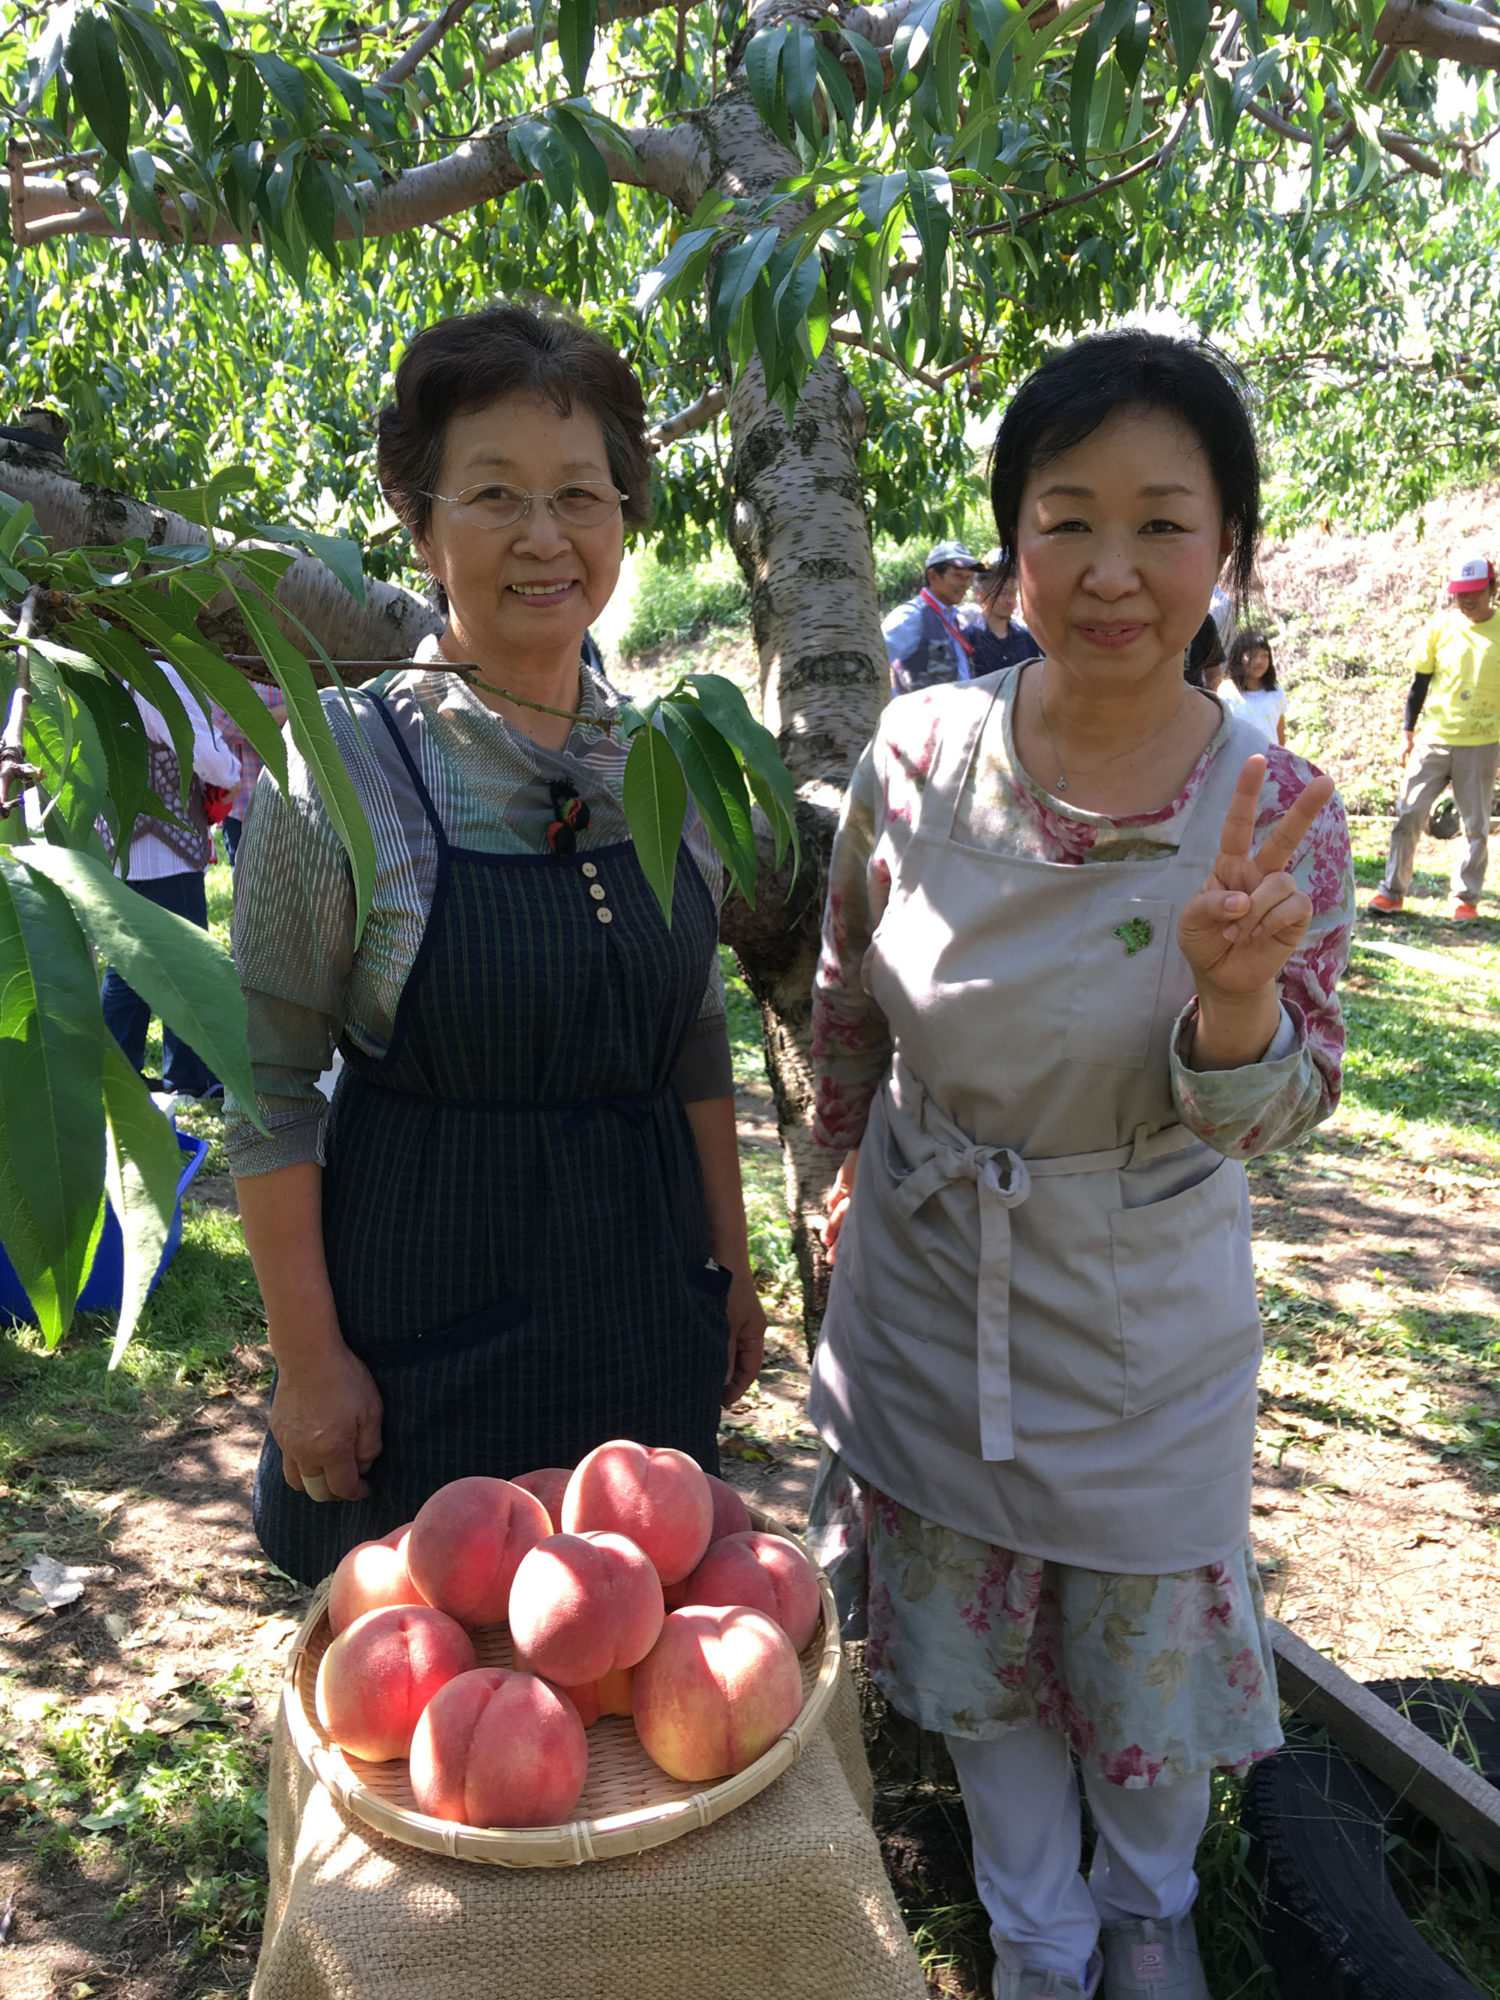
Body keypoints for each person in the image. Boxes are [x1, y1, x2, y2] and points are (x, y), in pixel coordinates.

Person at [807, 330, 1354, 2000]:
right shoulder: (914, 757)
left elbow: (1277, 1115)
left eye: (1162, 523)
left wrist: (1239, 996)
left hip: (1142, 1323)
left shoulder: (1278, 808)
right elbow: (847, 998)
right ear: (1010, 544)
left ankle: (1150, 1915)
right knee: (973, 1650)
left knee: (1135, 1663)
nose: (1112, 569)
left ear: (1226, 549)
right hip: (927, 1276)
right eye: (1067, 519)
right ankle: (1040, 1939)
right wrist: (835, 1168)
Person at [224, 304, 766, 1585]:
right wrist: (311, 1361)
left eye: (581, 493)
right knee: (434, 1697)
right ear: (420, 523)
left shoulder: (667, 760)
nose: (544, 536)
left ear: (626, 516)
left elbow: (693, 1028)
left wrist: (728, 1269)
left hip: (640, 1302)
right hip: (426, 1318)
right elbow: (269, 1080)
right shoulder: (349, 767)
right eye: (495, 495)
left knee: (630, 1660)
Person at [101, 661, 240, 1102]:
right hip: (167, 845)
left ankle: (118, 1073)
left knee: (127, 962)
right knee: (185, 960)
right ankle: (189, 1073)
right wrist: (232, 773)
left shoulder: (96, 669)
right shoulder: (155, 672)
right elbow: (206, 755)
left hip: (118, 842)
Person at [1368, 549, 1500, 923]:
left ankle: (1465, 899)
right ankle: (1392, 893)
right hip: (1433, 738)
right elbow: (1418, 685)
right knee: (1408, 814)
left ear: (1493, 587)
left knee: (1475, 825)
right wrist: (1407, 732)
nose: (1467, 599)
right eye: (1461, 592)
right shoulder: (1439, 627)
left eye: (1475, 590)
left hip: (1483, 742)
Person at [882, 540, 984, 695]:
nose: (965, 583)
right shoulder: (912, 616)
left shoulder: (954, 618)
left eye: (968, 577)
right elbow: (874, 660)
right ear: (933, 576)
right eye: (958, 575)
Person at [211, 681, 288, 863]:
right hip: (243, 809)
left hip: (294, 806)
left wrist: (258, 717)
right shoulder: (230, 671)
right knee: (246, 884)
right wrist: (289, 711)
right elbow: (220, 723)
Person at [966, 549, 1042, 677]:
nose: (1009, 600)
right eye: (1003, 593)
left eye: (1013, 593)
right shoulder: (969, 637)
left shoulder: (1026, 637)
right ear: (983, 595)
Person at [1220, 629, 1285, 746]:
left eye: (1264, 655)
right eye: (1252, 655)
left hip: (1269, 760)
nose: (1259, 661)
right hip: (1238, 760)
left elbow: (1280, 733)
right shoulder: (1226, 691)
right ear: (1239, 657)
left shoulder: (1276, 691)